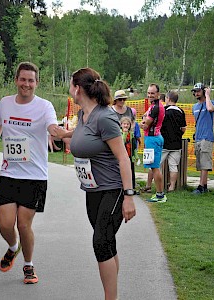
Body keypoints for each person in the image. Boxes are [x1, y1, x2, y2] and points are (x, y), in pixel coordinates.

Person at [54, 68, 136, 300]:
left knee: (100, 242)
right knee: (106, 242)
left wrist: (129, 196)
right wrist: (62, 134)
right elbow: (83, 135)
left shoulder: (105, 117)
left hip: (114, 190)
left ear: (77, 89)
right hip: (93, 191)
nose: (69, 88)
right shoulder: (83, 115)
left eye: (70, 84)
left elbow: (123, 157)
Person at [0, 62, 58, 285]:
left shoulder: (45, 106)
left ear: (37, 83)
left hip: (34, 176)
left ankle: (28, 265)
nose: (26, 84)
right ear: (16, 80)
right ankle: (13, 247)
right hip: (9, 172)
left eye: (31, 80)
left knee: (24, 225)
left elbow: (53, 128)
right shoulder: (5, 103)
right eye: (23, 79)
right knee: (5, 225)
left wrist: (66, 133)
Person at [147, 91, 186, 192]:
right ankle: (172, 187)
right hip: (176, 144)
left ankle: (152, 186)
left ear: (168, 98)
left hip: (163, 143)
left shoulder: (163, 110)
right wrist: (178, 135)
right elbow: (183, 128)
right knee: (173, 166)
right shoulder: (181, 111)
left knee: (155, 166)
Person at [139, 84, 166, 202]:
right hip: (151, 138)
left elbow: (145, 125)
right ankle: (157, 192)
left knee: (155, 167)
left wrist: (135, 124)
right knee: (152, 167)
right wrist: (143, 119)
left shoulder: (156, 107)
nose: (150, 95)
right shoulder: (153, 106)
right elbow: (144, 117)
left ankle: (160, 194)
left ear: (158, 94)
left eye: (152, 93)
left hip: (153, 138)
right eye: (149, 93)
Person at [191, 83, 214, 194]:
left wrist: (207, 95)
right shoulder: (194, 107)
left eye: (198, 91)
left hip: (207, 137)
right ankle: (204, 186)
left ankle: (201, 186)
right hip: (198, 137)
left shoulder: (210, 103)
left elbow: (210, 109)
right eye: (195, 91)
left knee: (205, 163)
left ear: (203, 91)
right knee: (201, 164)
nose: (196, 93)